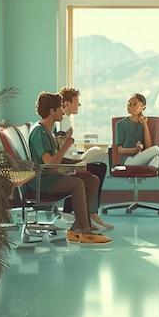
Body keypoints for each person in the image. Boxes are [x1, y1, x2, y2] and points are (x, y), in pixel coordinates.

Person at [28, 92, 111, 244]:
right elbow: (50, 164)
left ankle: (76, 228)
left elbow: (55, 160)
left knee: (92, 180)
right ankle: (86, 231)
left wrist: (77, 163)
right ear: (52, 111)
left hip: (49, 176)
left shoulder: (48, 131)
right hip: (42, 181)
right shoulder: (39, 132)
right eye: (60, 107)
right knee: (78, 183)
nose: (62, 110)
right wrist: (66, 144)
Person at [58, 87, 113, 230]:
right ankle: (91, 213)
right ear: (66, 103)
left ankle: (74, 210)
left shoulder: (66, 120)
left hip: (71, 158)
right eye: (76, 101)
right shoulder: (62, 120)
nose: (79, 105)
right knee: (99, 169)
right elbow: (62, 147)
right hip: (66, 162)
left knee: (98, 165)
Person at [115, 94, 159, 167]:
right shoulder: (120, 124)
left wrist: (145, 125)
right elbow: (119, 150)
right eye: (128, 104)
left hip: (141, 158)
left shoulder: (143, 123)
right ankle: (146, 174)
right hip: (127, 160)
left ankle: (146, 175)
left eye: (134, 104)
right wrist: (135, 149)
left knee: (157, 158)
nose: (130, 106)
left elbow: (149, 147)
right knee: (156, 149)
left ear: (142, 108)